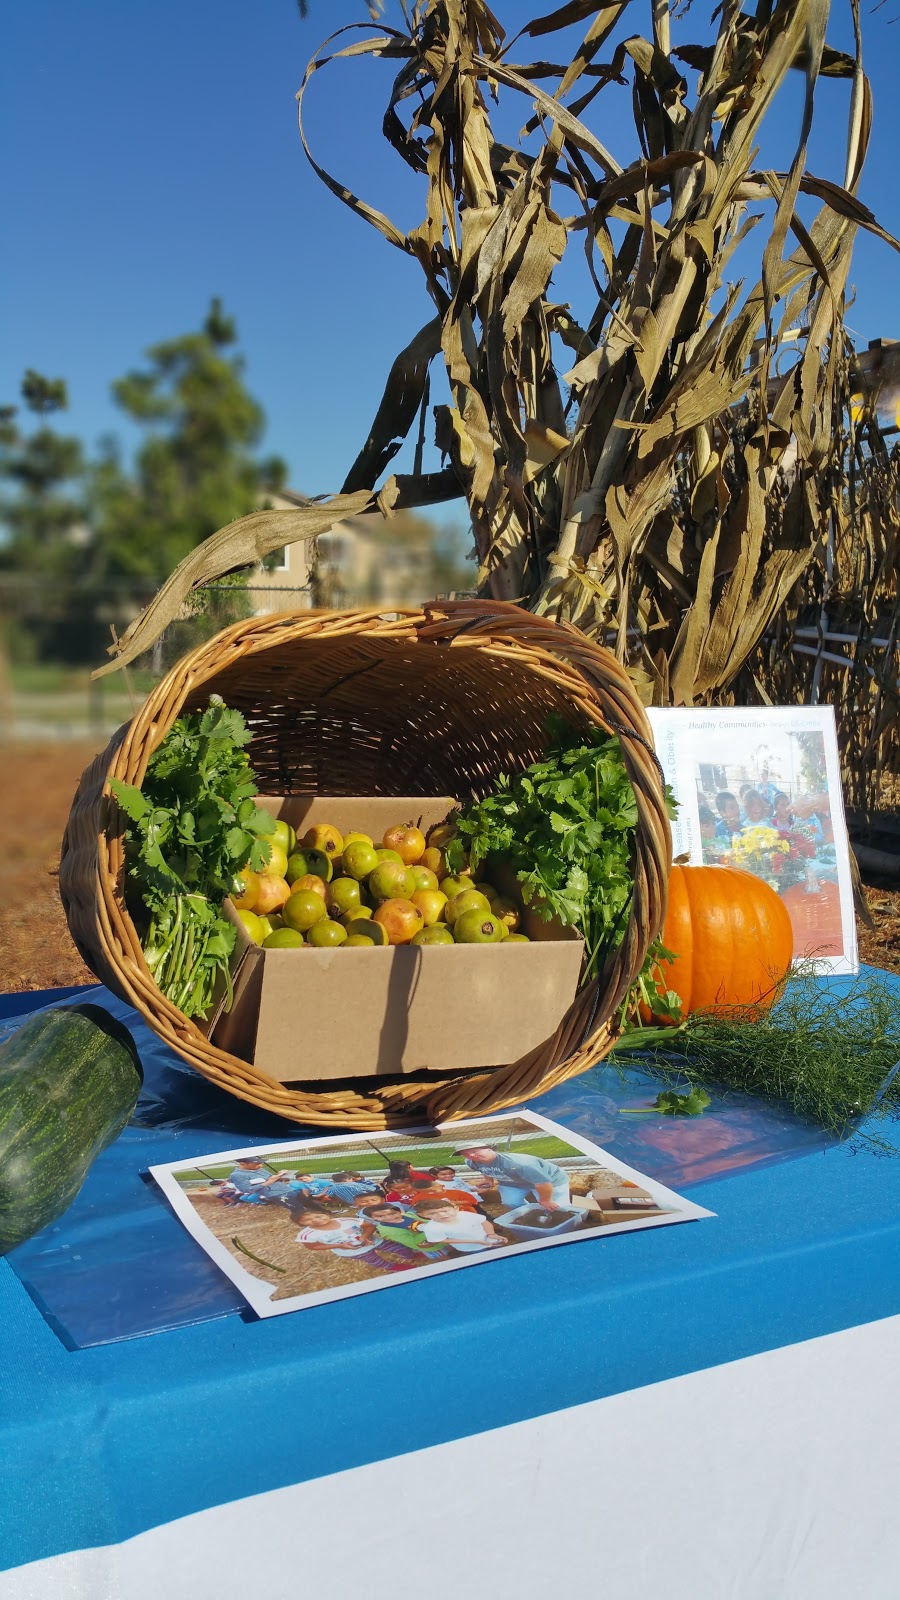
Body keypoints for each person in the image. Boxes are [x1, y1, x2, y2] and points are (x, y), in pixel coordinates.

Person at [292, 1206, 424, 1273]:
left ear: (326, 1214)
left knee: (397, 1248)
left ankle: (410, 1255)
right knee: (374, 1260)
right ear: (302, 1224)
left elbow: (369, 1226)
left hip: (373, 1240)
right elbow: (313, 1246)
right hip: (353, 1251)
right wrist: (340, 1246)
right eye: (308, 1220)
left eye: (318, 1216)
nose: (315, 1220)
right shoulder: (308, 1235)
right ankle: (393, 1266)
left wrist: (365, 1236)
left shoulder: (346, 1220)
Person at [453, 1145, 571, 1211]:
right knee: (510, 1202)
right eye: (467, 1154)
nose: (472, 1156)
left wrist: (546, 1200)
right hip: (512, 1183)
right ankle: (531, 1214)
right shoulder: (471, 1161)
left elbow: (543, 1183)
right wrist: (488, 1180)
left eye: (474, 1151)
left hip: (550, 1180)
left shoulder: (519, 1164)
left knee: (558, 1207)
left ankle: (571, 1226)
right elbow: (483, 1168)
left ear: (489, 1149)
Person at [362, 1201, 454, 1261]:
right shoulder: (388, 1231)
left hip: (437, 1238)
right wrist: (427, 1229)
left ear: (400, 1211)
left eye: (392, 1213)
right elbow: (413, 1242)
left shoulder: (408, 1215)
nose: (389, 1217)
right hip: (429, 1246)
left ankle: (452, 1252)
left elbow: (423, 1220)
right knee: (443, 1256)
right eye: (380, 1216)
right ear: (372, 1218)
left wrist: (435, 1222)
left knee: (449, 1247)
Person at [413, 1197, 505, 1254]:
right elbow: (442, 1240)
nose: (441, 1215)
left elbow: (484, 1222)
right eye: (433, 1213)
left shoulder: (465, 1214)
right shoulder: (432, 1228)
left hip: (488, 1239)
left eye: (445, 1211)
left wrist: (491, 1234)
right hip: (471, 1248)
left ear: (456, 1208)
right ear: (423, 1215)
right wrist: (475, 1242)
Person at [224, 1157, 292, 1203]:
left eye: (260, 1163)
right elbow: (246, 1189)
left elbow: (271, 1178)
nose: (261, 1166)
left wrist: (279, 1175)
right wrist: (267, 1183)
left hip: (285, 1189)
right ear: (243, 1164)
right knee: (298, 1209)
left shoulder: (261, 1169)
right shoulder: (236, 1175)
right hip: (275, 1194)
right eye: (257, 1164)